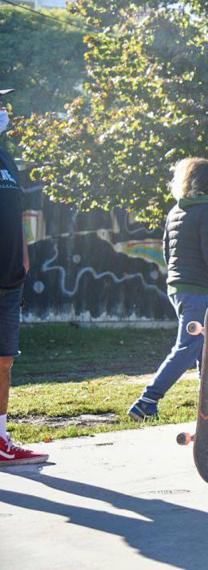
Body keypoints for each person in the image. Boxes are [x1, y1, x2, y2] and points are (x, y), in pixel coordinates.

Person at [128, 158, 208, 420]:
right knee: (190, 345)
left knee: (205, 347)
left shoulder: (176, 211)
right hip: (199, 290)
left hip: (178, 287)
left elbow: (167, 251)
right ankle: (147, 401)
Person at [0, 88, 48, 466]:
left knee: (4, 360)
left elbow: (16, 211)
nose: (3, 111)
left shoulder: (7, 158)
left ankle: (0, 437)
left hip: (11, 274)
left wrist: (26, 252)